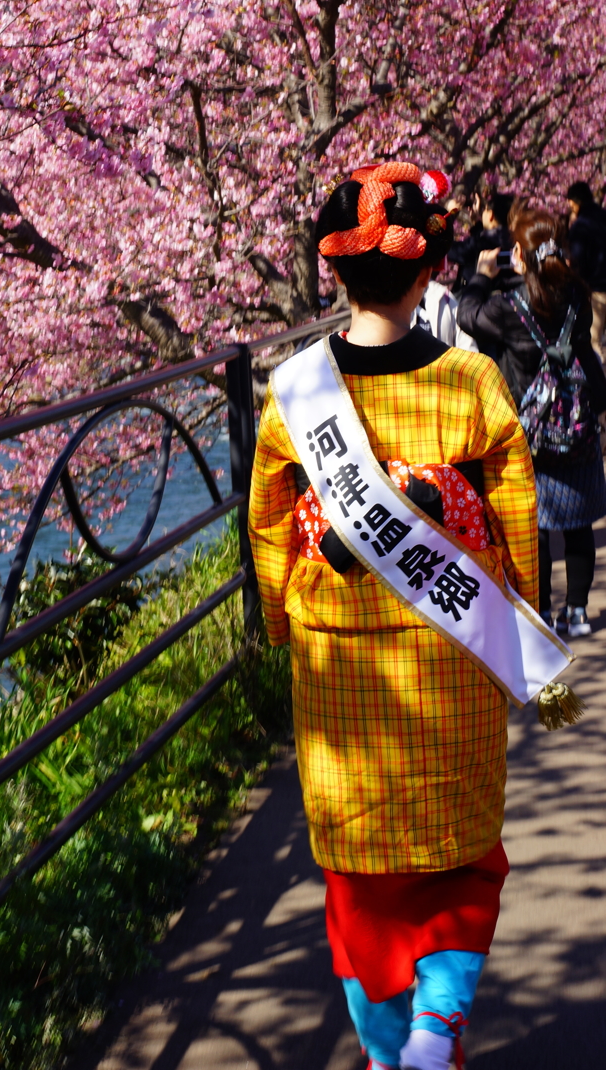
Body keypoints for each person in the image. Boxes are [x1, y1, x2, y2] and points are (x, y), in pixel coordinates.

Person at [249, 161, 539, 1070]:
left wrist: (283, 621)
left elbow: (267, 527)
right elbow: (517, 510)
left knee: (361, 873)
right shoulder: (470, 381)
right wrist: (518, 612)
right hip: (452, 650)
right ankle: (437, 1025)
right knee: (461, 855)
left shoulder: (292, 394)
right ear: (430, 272)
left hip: (343, 670)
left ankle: (386, 1052)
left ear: (335, 272)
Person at [458, 202, 606, 637]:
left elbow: (468, 315)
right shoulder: (576, 294)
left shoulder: (509, 307)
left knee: (536, 531)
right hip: (576, 428)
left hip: (532, 432)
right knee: (578, 525)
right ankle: (576, 613)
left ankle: (539, 616)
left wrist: (483, 275)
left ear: (519, 256)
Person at [565, 180, 606, 362]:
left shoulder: (581, 226)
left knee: (595, 343)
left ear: (574, 201)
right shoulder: (603, 216)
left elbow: (576, 260)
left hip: (597, 290)